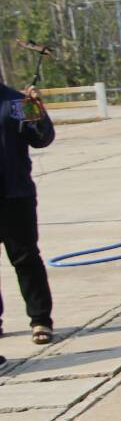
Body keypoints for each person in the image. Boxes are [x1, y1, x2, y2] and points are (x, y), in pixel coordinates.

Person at [0, 81, 55, 345]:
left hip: (15, 195)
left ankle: (40, 320)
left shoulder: (18, 102)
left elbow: (41, 138)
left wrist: (37, 108)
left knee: (26, 260)